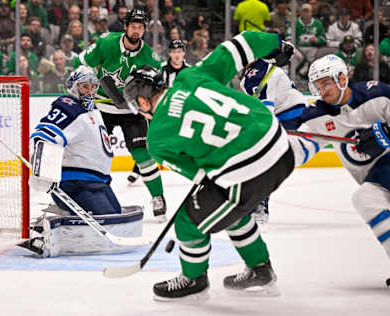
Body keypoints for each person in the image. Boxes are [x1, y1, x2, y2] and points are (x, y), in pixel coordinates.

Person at [123, 31, 296, 301]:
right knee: (228, 207)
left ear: (143, 101)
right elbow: (238, 45)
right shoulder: (190, 77)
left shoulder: (156, 138)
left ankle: (194, 281)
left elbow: (201, 175)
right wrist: (275, 44)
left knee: (188, 221)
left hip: (248, 171)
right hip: (281, 146)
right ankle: (260, 271)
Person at [21, 65, 143, 256]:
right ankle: (47, 232)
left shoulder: (93, 109)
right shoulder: (68, 107)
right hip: (78, 183)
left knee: (116, 216)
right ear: (73, 87)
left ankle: (65, 214)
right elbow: (42, 136)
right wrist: (43, 171)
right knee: (109, 223)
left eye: (93, 86)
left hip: (99, 183)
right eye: (85, 86)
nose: (90, 91)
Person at [73, 9, 167, 222]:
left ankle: (158, 197)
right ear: (125, 27)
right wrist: (86, 90)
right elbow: (81, 63)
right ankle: (89, 196)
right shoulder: (106, 43)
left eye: (141, 27)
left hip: (131, 111)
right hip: (101, 107)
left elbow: (155, 91)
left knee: (142, 155)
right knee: (93, 153)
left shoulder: (150, 57)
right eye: (133, 26)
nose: (137, 30)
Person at [305, 54, 390, 286]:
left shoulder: (378, 94)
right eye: (317, 86)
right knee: (366, 198)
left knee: (367, 196)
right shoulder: (318, 116)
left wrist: (387, 133)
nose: (321, 91)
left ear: (342, 78)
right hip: (378, 179)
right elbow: (295, 143)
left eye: (325, 83)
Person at [239, 57, 312, 223]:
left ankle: (259, 204)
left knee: (262, 157)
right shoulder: (259, 70)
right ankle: (258, 201)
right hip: (292, 112)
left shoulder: (256, 74)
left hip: (288, 115)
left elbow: (266, 111)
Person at [127, 39, 190, 185]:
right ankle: (137, 170)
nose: (177, 55)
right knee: (151, 140)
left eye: (179, 51)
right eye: (174, 52)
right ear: (169, 53)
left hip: (179, 111)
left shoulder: (189, 71)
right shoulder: (161, 70)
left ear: (184, 53)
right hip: (157, 111)